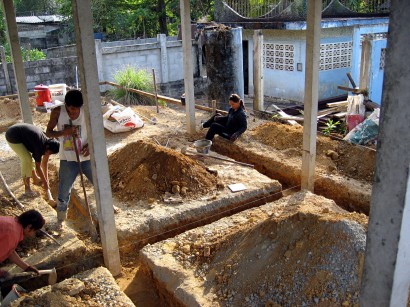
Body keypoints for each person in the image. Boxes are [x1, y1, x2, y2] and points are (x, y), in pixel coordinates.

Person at [46, 89, 92, 229]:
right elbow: (48, 133)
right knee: (64, 190)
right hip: (67, 158)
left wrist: (90, 144)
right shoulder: (57, 112)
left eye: (76, 110)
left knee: (99, 183)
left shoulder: (87, 110)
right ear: (66, 105)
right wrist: (63, 132)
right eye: (71, 110)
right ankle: (61, 219)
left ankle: (108, 208)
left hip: (86, 157)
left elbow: (97, 130)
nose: (73, 113)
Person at [5, 123, 60, 200]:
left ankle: (35, 178)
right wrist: (45, 183)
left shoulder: (48, 142)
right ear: (47, 148)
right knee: (27, 159)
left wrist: (46, 181)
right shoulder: (39, 146)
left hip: (21, 134)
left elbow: (45, 162)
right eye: (49, 153)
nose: (49, 154)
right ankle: (27, 189)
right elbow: (38, 167)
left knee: (32, 158)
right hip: (13, 136)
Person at [0, 210, 45, 276]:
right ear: (29, 227)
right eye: (34, 231)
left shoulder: (12, 223)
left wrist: (26, 267)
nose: (34, 234)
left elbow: (10, 251)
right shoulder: (12, 234)